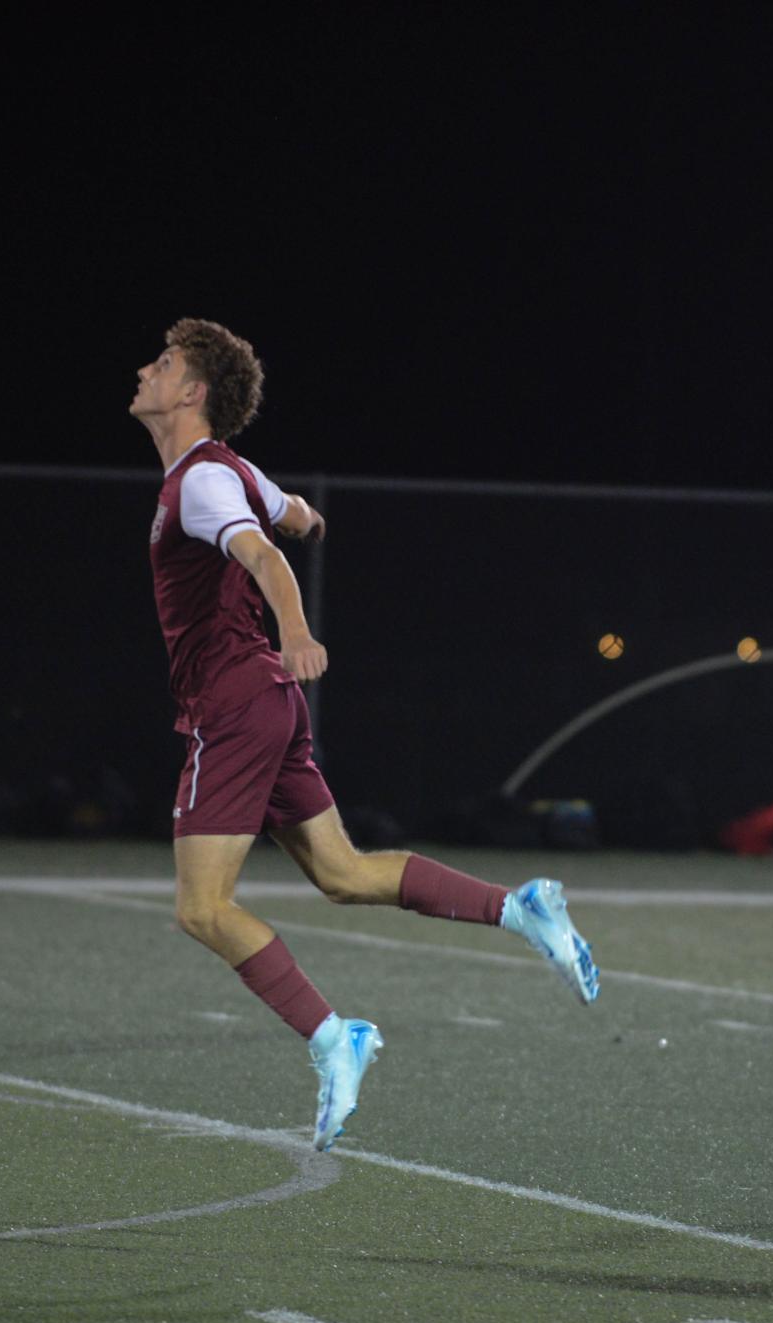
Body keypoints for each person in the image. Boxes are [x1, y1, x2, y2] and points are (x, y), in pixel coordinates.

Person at [130, 318, 601, 1152]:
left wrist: (297, 631)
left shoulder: (202, 484)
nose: (145, 372)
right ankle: (519, 909)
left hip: (238, 704)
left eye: (162, 364)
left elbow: (267, 558)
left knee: (201, 908)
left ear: (192, 393)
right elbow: (294, 518)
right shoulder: (230, 472)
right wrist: (305, 519)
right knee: (342, 873)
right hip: (270, 706)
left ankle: (331, 1036)